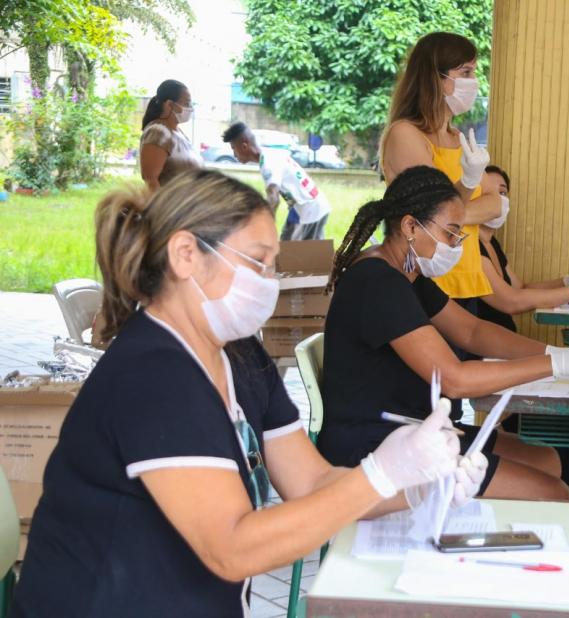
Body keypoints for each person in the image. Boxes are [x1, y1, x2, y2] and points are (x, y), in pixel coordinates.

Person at [11, 170, 485, 616]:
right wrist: (381, 475)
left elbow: (311, 484)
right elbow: (231, 549)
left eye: (272, 265)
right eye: (257, 262)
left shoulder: (238, 356)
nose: (269, 282)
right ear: (185, 255)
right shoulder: (152, 375)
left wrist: (419, 487)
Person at [318, 165, 569, 501]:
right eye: (450, 234)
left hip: (416, 430)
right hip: (376, 445)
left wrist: (550, 353)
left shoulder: (406, 274)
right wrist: (559, 365)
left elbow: (471, 331)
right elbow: (454, 378)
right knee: (552, 493)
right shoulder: (378, 282)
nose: (455, 246)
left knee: (547, 461)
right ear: (410, 226)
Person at [379, 32, 505, 307]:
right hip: (428, 278)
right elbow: (433, 212)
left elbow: (496, 204)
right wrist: (469, 184)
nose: (473, 82)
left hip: (464, 279)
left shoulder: (456, 136)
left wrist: (453, 218)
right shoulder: (406, 134)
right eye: (465, 72)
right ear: (436, 78)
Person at [475, 165, 569, 332]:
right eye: (488, 193)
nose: (497, 199)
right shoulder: (470, 247)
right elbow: (511, 300)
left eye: (503, 193)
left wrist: (567, 281)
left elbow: (520, 288)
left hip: (504, 338)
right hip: (485, 349)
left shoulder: (492, 243)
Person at [222, 122, 332, 241]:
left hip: (309, 211)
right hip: (302, 208)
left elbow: (273, 199)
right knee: (288, 250)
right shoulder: (269, 154)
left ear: (244, 146)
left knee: (297, 255)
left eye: (234, 148)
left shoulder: (268, 163)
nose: (234, 154)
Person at [139, 79, 203, 192]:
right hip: (171, 208)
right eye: (187, 103)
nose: (191, 108)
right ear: (169, 104)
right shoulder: (157, 131)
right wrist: (164, 208)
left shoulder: (179, 133)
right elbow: (150, 180)